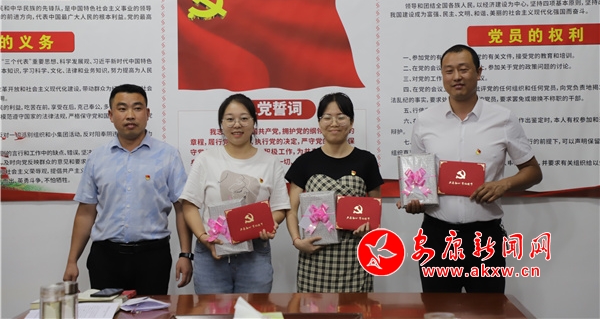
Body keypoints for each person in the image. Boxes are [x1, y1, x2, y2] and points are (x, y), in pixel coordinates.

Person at [400, 44, 543, 293]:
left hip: (484, 238)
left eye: (464, 69)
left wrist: (504, 184)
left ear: (478, 72)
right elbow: (417, 178)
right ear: (442, 75)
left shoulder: (503, 118)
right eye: (449, 71)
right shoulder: (425, 120)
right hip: (437, 237)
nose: (456, 76)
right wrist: (415, 200)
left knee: (488, 309)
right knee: (437, 309)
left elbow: (533, 171)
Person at [63, 84, 193, 294]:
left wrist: (185, 255)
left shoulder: (168, 155)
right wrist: (72, 260)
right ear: (111, 115)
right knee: (107, 310)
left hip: (153, 257)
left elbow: (182, 208)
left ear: (147, 113)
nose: (130, 115)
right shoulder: (97, 158)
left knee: (153, 310)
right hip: (105, 257)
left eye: (137, 108)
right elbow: (86, 212)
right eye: (122, 108)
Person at [179, 93, 290, 294]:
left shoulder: (270, 162)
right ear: (221, 124)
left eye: (244, 118)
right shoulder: (206, 159)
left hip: (255, 253)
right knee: (212, 311)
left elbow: (280, 207)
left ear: (254, 123)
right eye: (230, 119)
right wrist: (204, 237)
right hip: (211, 252)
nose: (237, 124)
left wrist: (268, 224)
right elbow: (189, 205)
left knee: (253, 310)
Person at [286, 92, 384, 292]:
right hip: (314, 256)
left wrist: (369, 229)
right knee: (312, 308)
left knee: (355, 307)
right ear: (319, 122)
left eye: (341, 117)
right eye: (327, 117)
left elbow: (375, 209)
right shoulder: (305, 162)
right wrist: (297, 241)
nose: (334, 123)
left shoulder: (366, 161)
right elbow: (291, 209)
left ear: (351, 121)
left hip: (355, 257)